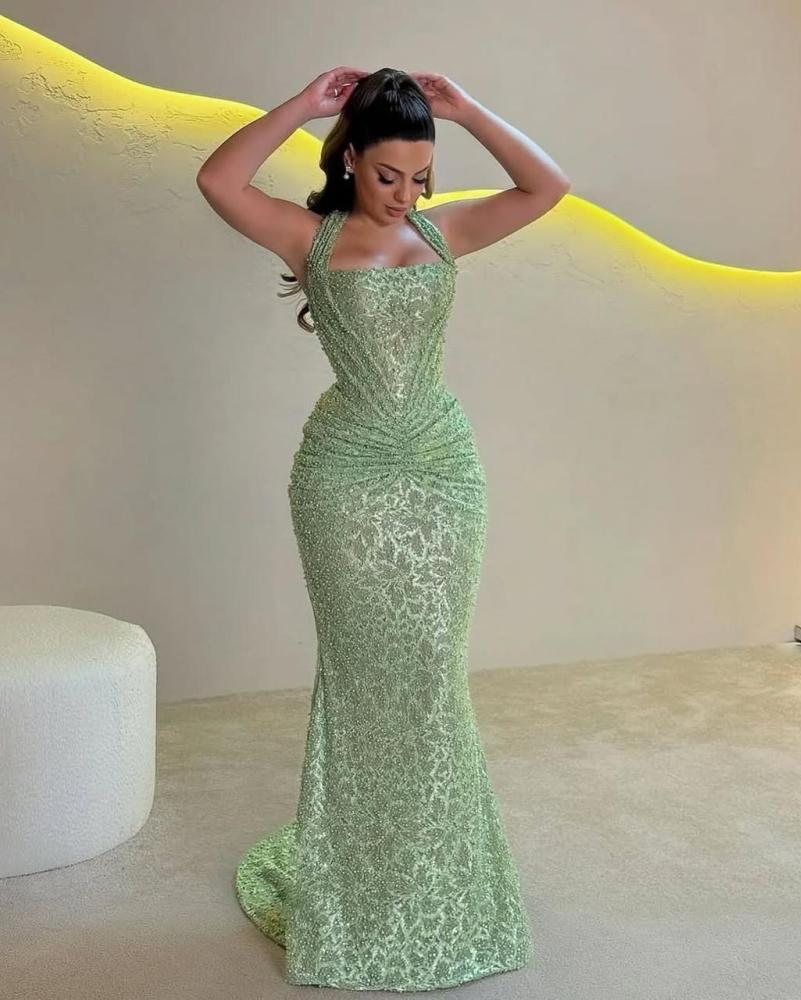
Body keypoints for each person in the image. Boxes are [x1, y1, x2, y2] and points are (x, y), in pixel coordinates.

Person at [196, 65, 570, 991]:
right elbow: (217, 180)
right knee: (364, 673)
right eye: (387, 174)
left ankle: (439, 875)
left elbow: (547, 187)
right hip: (345, 477)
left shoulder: (442, 234)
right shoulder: (308, 237)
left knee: (434, 668)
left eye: (420, 176)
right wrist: (302, 105)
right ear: (349, 159)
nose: (405, 194)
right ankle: (360, 882)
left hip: (442, 470)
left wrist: (466, 109)